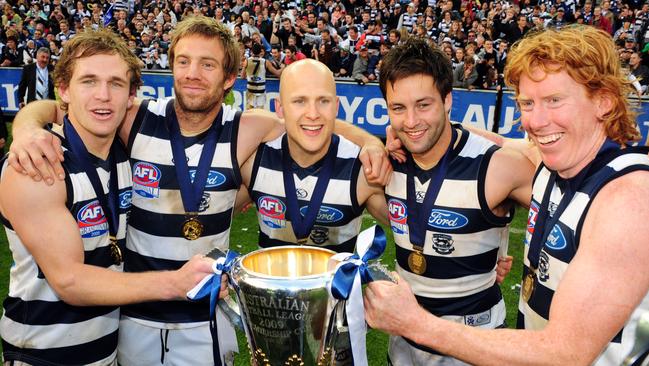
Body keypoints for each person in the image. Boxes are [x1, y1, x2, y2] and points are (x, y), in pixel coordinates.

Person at [8, 15, 388, 366]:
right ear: (171, 65)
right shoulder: (133, 117)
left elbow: (310, 122)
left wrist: (370, 144)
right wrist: (26, 128)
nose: (193, 74)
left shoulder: (246, 128)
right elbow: (60, 109)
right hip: (131, 320)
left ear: (227, 79)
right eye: (184, 61)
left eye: (208, 64)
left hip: (206, 318)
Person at [365, 26, 649, 366]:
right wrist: (399, 133)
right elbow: (483, 141)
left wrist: (415, 323)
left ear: (603, 101)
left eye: (554, 100)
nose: (536, 120)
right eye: (527, 103)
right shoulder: (553, 166)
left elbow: (565, 353)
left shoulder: (629, 198)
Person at [0, 28, 216, 366]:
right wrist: (175, 283)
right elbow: (69, 280)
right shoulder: (37, 166)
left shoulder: (126, 153)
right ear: (64, 91)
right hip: (44, 356)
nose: (103, 95)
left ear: (131, 96)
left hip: (108, 353)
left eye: (116, 84)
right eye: (88, 81)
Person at [365, 36, 535, 365]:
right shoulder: (387, 163)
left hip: (474, 340)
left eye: (423, 104)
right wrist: (370, 145)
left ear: (447, 100)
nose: (411, 121)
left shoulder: (497, 164)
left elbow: (564, 189)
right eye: (398, 108)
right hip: (404, 336)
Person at [239, 59, 388, 364]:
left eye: (323, 101)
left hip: (337, 332)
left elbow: (418, 226)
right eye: (299, 101)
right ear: (280, 109)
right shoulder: (254, 162)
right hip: (271, 325)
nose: (312, 113)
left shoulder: (363, 169)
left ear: (336, 106)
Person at [240, 42, 281, 110]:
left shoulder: (247, 61)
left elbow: (242, 76)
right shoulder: (265, 62)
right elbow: (277, 73)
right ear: (260, 52)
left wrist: (250, 76)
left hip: (250, 90)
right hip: (261, 91)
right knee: (260, 112)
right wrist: (284, 67)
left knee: (249, 113)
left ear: (252, 51)